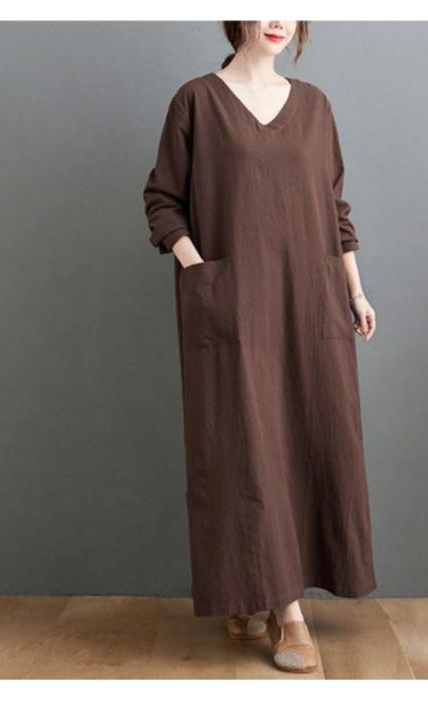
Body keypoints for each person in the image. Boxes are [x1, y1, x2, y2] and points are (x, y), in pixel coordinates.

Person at [143, 20, 377, 674]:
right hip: (235, 303)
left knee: (308, 438)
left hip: (310, 301)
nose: (278, 18)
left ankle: (259, 595)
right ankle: (285, 610)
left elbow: (334, 209)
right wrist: (201, 270)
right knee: (247, 446)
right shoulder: (197, 101)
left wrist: (356, 292)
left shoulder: (315, 106)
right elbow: (163, 201)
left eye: (290, 9)